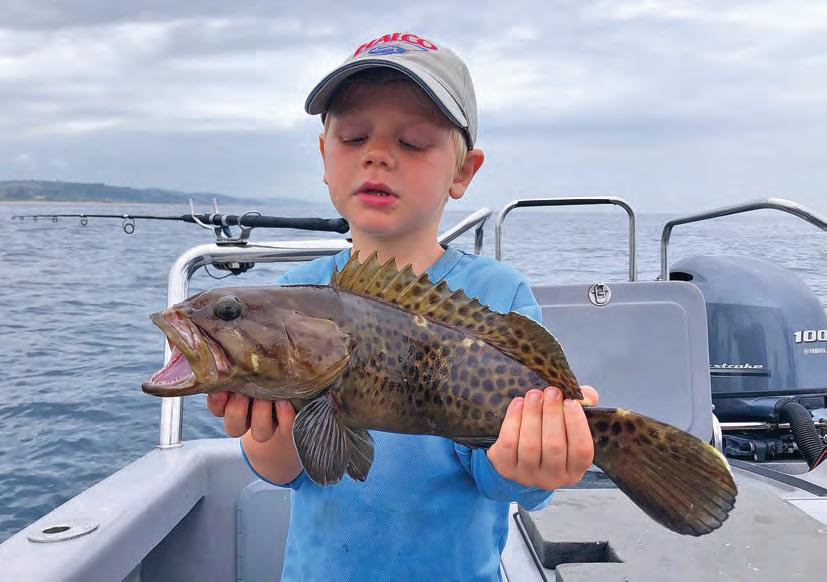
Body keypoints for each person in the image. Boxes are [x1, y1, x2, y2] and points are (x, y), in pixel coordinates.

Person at [208, 32, 599, 581]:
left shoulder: (498, 294)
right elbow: (288, 470)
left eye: (413, 143)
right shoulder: (293, 292)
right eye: (353, 137)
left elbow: (504, 484)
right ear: (324, 157)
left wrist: (537, 459)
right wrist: (267, 428)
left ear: (463, 172)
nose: (377, 154)